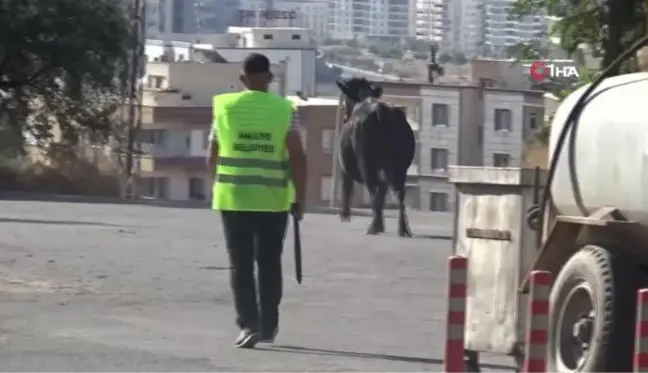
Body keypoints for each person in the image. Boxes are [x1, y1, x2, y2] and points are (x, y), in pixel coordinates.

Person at [207, 52, 307, 349]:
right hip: (273, 199)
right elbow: (298, 158)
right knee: (269, 264)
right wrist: (300, 199)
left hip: (233, 198)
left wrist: (218, 186)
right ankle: (268, 326)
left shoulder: (224, 108)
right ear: (271, 79)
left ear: (242, 79)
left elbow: (211, 154)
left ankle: (248, 324)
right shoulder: (285, 110)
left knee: (240, 265)